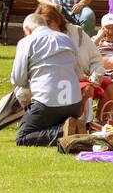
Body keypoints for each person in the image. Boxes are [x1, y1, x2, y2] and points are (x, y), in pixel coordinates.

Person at [12, 12, 86, 147]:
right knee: (48, 121)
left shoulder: (26, 42)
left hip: (47, 103)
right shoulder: (66, 39)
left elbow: (18, 80)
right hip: (74, 104)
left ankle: (64, 132)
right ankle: (73, 127)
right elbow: (79, 74)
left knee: (22, 137)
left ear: (28, 29)